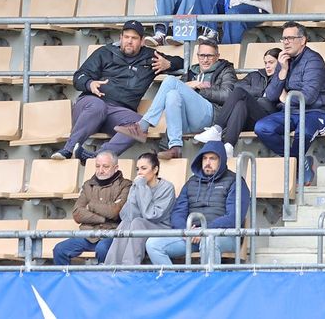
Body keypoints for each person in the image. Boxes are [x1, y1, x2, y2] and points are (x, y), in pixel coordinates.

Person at [52, 20, 182, 161]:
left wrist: (168, 64)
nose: (129, 41)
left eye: (134, 38)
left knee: (139, 124)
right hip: (90, 106)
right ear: (120, 38)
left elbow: (181, 62)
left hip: (117, 113)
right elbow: (78, 77)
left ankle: (99, 157)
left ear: (142, 41)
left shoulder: (150, 57)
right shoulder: (105, 52)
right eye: (126, 37)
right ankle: (68, 149)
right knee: (97, 106)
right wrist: (90, 84)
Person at [110, 39, 236, 159]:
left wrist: (199, 90)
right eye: (201, 55)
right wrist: (189, 85)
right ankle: (175, 146)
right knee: (172, 95)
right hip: (186, 121)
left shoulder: (226, 70)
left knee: (170, 80)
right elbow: (178, 94)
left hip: (212, 118)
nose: (205, 59)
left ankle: (143, 125)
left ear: (217, 56)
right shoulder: (192, 71)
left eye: (209, 56)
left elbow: (228, 96)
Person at [253, 22, 325, 186]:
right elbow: (272, 95)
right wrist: (282, 71)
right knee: (262, 127)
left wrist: (286, 98)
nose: (285, 42)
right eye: (283, 38)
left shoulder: (314, 60)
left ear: (302, 40)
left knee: (303, 132)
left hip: (317, 112)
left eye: (290, 38)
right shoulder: (284, 61)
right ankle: (300, 164)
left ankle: (294, 170)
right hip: (290, 112)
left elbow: (308, 97)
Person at [148, 142, 248, 266]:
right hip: (191, 235)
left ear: (221, 161)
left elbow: (234, 217)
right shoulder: (192, 182)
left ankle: (208, 284)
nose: (207, 162)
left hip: (223, 235)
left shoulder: (235, 181)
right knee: (153, 244)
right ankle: (172, 283)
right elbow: (178, 212)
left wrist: (205, 230)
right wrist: (185, 230)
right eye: (204, 158)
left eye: (212, 159)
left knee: (208, 241)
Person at [51, 151, 130, 266]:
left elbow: (114, 212)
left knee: (102, 249)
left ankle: (103, 282)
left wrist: (90, 206)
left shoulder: (126, 185)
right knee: (59, 249)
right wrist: (103, 218)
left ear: (116, 167)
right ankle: (66, 282)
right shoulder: (88, 185)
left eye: (105, 166)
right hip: (88, 235)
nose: (100, 170)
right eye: (97, 166)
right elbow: (77, 213)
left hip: (112, 234)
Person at [101, 152, 178, 269]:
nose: (139, 173)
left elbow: (152, 215)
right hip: (140, 225)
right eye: (137, 169)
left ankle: (129, 267)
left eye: (144, 168)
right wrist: (134, 191)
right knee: (126, 223)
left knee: (138, 223)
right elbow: (127, 216)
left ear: (155, 169)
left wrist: (142, 188)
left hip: (161, 228)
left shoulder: (167, 188)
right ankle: (111, 267)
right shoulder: (137, 185)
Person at [201, 48, 282, 155]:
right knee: (240, 104)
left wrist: (252, 95)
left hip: (269, 117)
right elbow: (238, 85)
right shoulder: (255, 75)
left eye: (271, 63)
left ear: (280, 62)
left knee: (241, 94)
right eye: (265, 62)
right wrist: (260, 94)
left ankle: (217, 128)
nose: (267, 66)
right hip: (250, 118)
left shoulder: (282, 77)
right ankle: (228, 147)